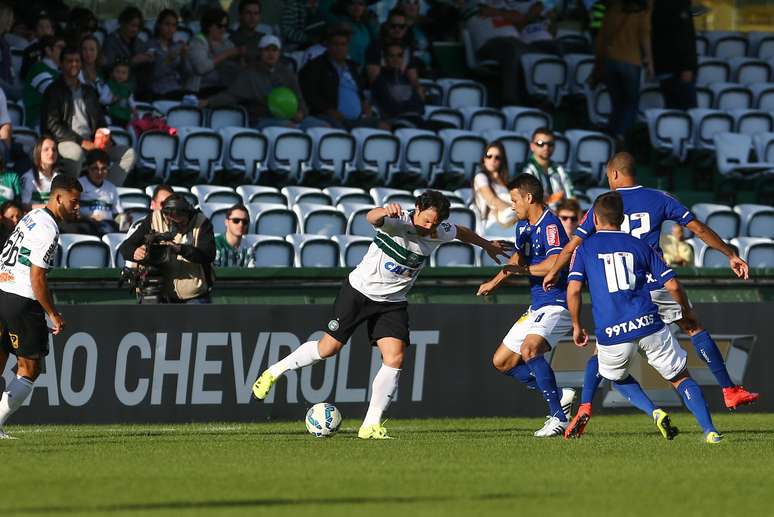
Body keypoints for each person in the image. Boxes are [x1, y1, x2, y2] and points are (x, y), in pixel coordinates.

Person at [252, 191, 510, 439]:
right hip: (358, 293)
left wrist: (487, 245)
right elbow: (372, 218)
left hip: (392, 303)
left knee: (395, 357)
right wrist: (384, 210)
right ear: (416, 209)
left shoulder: (438, 230)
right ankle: (273, 372)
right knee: (328, 349)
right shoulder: (397, 223)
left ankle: (370, 425)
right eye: (426, 219)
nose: (429, 226)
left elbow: (461, 232)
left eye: (436, 222)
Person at [543, 152, 758, 436]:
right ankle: (729, 389)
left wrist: (554, 271)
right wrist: (730, 254)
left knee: (605, 350)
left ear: (615, 175)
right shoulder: (660, 198)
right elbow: (697, 228)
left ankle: (585, 405)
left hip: (625, 289)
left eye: (609, 176)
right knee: (693, 326)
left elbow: (573, 245)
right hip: (657, 279)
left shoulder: (604, 205)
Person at [566, 191, 722, 444]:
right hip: (648, 323)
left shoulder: (585, 248)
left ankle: (654, 411)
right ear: (621, 218)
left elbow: (573, 290)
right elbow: (672, 285)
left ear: (595, 218)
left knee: (615, 377)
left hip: (612, 330)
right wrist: (684, 309)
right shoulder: (641, 245)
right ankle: (710, 431)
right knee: (680, 377)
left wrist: (576, 324)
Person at [476, 174, 575, 437]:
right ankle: (559, 393)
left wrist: (523, 271)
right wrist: (496, 281)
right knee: (502, 362)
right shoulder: (523, 226)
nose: (512, 205)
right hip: (537, 305)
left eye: (515, 200)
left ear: (529, 198)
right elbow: (519, 258)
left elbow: (555, 263)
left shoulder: (551, 225)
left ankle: (558, 418)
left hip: (556, 302)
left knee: (530, 350)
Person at [0, 175, 81, 439]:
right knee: (30, 369)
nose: (77, 207)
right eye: (74, 202)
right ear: (58, 198)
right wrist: (53, 314)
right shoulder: (49, 229)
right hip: (21, 299)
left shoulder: (30, 217)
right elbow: (37, 278)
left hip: (2, 289)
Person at [40, 46, 136, 185]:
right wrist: (81, 142)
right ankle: (71, 192)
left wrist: (106, 139)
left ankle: (105, 190)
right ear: (61, 64)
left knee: (128, 153)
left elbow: (100, 120)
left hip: (92, 142)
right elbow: (53, 126)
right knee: (76, 153)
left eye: (77, 61)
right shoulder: (53, 90)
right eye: (69, 61)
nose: (74, 64)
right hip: (64, 141)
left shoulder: (89, 91)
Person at [201, 34, 321, 129]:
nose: (271, 54)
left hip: (290, 118)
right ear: (260, 52)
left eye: (274, 50)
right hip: (263, 120)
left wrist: (301, 113)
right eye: (266, 50)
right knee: (289, 128)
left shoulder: (287, 73)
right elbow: (231, 96)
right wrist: (208, 102)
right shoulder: (250, 74)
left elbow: (299, 99)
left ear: (279, 53)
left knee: (324, 127)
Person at [118, 194, 216, 304]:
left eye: (182, 223)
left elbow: (208, 254)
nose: (178, 227)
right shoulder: (154, 219)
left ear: (188, 214)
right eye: (173, 222)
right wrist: (135, 252)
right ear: (166, 216)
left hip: (195, 293)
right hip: (161, 291)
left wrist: (181, 249)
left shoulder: (202, 223)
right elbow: (126, 247)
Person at [593, 0, 653, 144]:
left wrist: (598, 66)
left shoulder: (612, 10)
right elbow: (645, 36)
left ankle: (611, 133)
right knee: (630, 102)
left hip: (610, 61)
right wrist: (649, 62)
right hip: (632, 62)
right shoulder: (642, 12)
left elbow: (601, 39)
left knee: (617, 102)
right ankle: (620, 134)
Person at [299, 25, 381, 130]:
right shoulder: (315, 67)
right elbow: (309, 95)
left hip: (358, 119)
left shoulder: (353, 67)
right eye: (335, 44)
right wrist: (328, 110)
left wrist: (364, 103)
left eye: (343, 44)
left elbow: (359, 91)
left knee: (383, 126)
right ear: (327, 45)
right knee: (341, 135)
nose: (339, 48)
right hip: (329, 118)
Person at [187, 7, 245, 96]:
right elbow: (201, 68)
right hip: (201, 90)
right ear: (209, 26)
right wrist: (226, 54)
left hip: (224, 89)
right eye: (219, 26)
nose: (223, 29)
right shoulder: (198, 41)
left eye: (225, 26)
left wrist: (240, 56)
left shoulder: (226, 42)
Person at [651, 0, 697, 110]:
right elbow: (685, 38)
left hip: (663, 66)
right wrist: (688, 66)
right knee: (688, 112)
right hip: (678, 69)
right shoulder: (680, 6)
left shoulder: (656, 6)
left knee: (672, 109)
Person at [67, 149, 123, 236]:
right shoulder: (79, 184)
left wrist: (125, 219)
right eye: (95, 169)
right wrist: (88, 218)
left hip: (108, 226)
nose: (99, 172)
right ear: (88, 168)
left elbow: (118, 214)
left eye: (103, 168)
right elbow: (71, 211)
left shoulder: (111, 188)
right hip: (86, 225)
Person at [145, 9, 193, 100]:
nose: (170, 29)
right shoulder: (150, 45)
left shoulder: (177, 45)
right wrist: (168, 60)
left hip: (176, 89)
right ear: (159, 25)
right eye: (167, 24)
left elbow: (187, 74)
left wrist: (184, 58)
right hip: (157, 92)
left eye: (174, 25)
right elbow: (151, 76)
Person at [521, 127, 575, 208]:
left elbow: (572, 198)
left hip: (560, 216)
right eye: (540, 143)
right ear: (532, 146)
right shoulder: (526, 169)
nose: (546, 147)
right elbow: (529, 202)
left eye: (550, 144)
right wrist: (555, 199)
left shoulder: (559, 169)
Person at [473, 141, 516, 238]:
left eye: (497, 157)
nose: (493, 160)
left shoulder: (506, 181)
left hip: (510, 221)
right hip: (491, 225)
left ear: (502, 161)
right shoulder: (480, 177)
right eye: (489, 156)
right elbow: (492, 199)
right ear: (484, 159)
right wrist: (516, 209)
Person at [22, 34, 64, 127]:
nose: (65, 51)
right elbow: (57, 95)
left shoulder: (59, 72)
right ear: (48, 50)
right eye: (61, 47)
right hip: (39, 121)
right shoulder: (38, 69)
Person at [101, 7, 154, 74]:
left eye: (137, 26)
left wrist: (149, 57)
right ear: (123, 23)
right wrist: (132, 61)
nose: (135, 30)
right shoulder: (111, 41)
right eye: (132, 25)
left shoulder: (138, 41)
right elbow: (109, 66)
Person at [327, 0, 376, 67]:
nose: (357, 7)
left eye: (361, 4)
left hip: (362, 72)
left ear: (365, 7)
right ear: (345, 5)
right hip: (345, 69)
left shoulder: (365, 27)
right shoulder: (340, 22)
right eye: (352, 3)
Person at [20, 135, 60, 210]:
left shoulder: (59, 177)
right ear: (38, 152)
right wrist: (49, 208)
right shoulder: (28, 177)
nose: (51, 153)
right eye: (46, 149)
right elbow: (24, 206)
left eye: (54, 150)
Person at [229, 0, 265, 66]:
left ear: (259, 17)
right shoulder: (230, 41)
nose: (252, 17)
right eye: (248, 13)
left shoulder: (264, 39)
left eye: (256, 13)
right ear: (240, 15)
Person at [79, 35, 112, 106]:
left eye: (92, 49)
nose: (88, 53)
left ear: (98, 51)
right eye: (84, 49)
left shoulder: (105, 73)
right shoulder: (76, 72)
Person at [105, 60, 135, 127]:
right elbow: (102, 99)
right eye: (117, 72)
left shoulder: (128, 88)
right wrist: (111, 100)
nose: (120, 75)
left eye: (123, 73)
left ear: (128, 75)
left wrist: (134, 109)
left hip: (125, 117)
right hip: (112, 116)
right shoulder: (109, 85)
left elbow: (131, 101)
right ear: (113, 72)